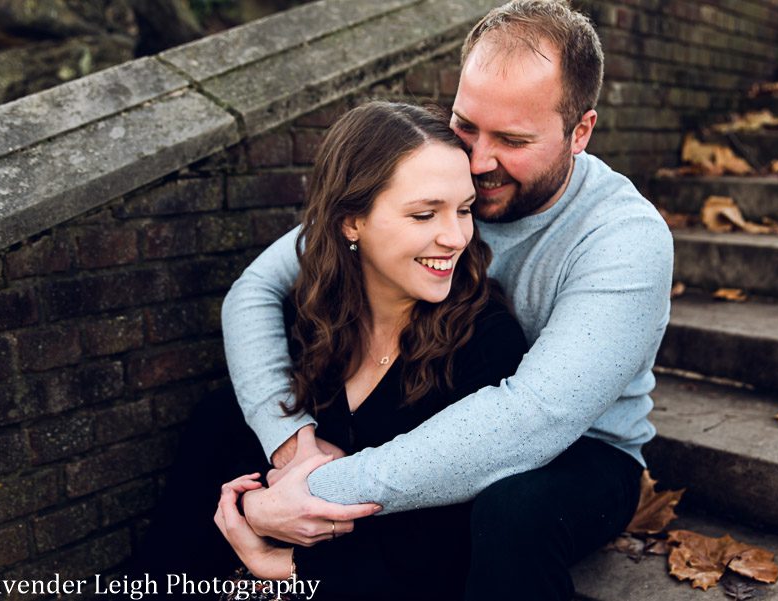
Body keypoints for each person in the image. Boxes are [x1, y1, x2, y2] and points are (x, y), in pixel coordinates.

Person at [221, 1, 674, 599]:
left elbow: (532, 420)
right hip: (432, 399)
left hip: (583, 450)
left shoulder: (623, 238)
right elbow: (256, 288)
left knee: (512, 514)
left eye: (512, 140)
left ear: (580, 132)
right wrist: (292, 440)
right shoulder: (437, 175)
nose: (478, 162)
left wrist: (305, 496)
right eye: (466, 125)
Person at [215, 101, 528, 600]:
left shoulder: (486, 346)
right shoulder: (313, 322)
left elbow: (447, 557)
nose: (455, 237)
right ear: (350, 222)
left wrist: (276, 562)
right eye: (425, 214)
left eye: (465, 210)